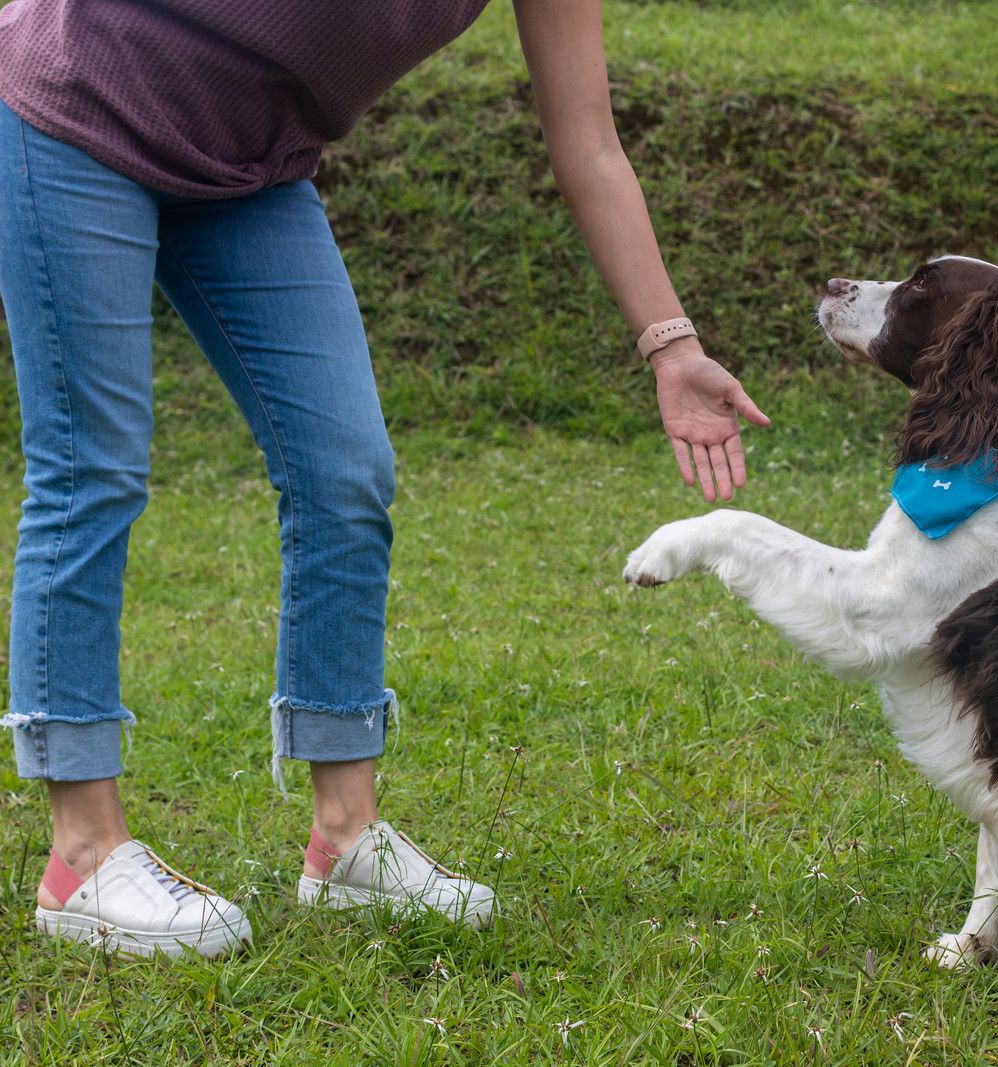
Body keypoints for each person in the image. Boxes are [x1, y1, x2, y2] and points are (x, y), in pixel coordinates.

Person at [0, 0, 768, 958]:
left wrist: (671, 343)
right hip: (80, 111)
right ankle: (82, 856)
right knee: (92, 467)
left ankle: (346, 841)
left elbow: (593, 146)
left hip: (251, 169)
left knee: (345, 471)